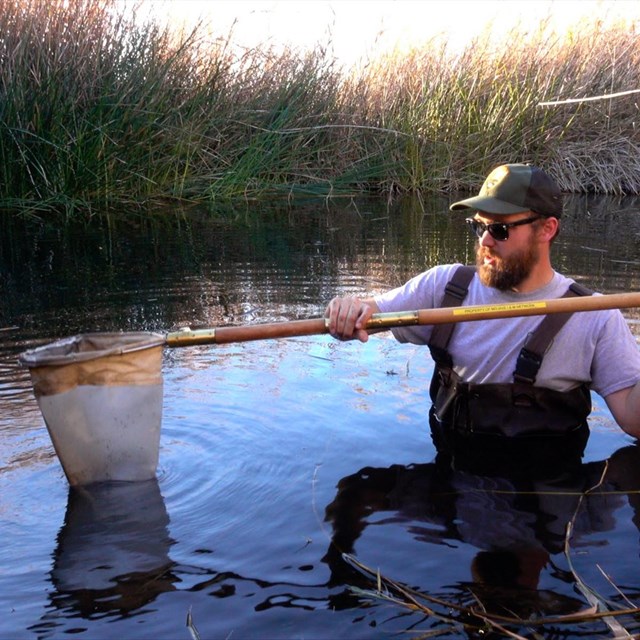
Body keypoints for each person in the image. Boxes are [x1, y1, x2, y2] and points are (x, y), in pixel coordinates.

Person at [325, 163, 640, 452]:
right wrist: (349, 310)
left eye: (500, 229)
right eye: (479, 227)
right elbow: (370, 312)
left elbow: (632, 418)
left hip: (548, 495)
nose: (485, 241)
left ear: (547, 229)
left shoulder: (595, 314)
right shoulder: (445, 287)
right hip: (448, 487)